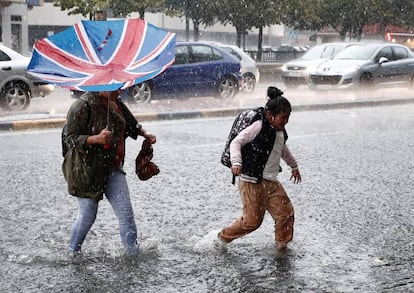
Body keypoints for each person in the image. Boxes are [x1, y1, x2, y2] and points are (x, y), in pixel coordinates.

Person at [63, 89, 156, 255]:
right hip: (87, 170)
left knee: (126, 213)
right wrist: (95, 139)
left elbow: (131, 124)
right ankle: (72, 252)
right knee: (87, 215)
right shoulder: (82, 105)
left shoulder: (116, 102)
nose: (120, 90)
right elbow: (70, 138)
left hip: (113, 168)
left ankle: (132, 252)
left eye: (120, 86)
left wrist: (145, 134)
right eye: (115, 87)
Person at [214, 86, 302, 252]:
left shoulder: (280, 131)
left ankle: (281, 247)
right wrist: (237, 163)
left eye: (288, 117)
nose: (286, 122)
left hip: (271, 182)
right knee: (252, 222)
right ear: (270, 115)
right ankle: (222, 238)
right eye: (283, 118)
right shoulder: (258, 126)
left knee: (286, 214)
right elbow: (236, 142)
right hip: (251, 182)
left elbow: (282, 148)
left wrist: (294, 166)